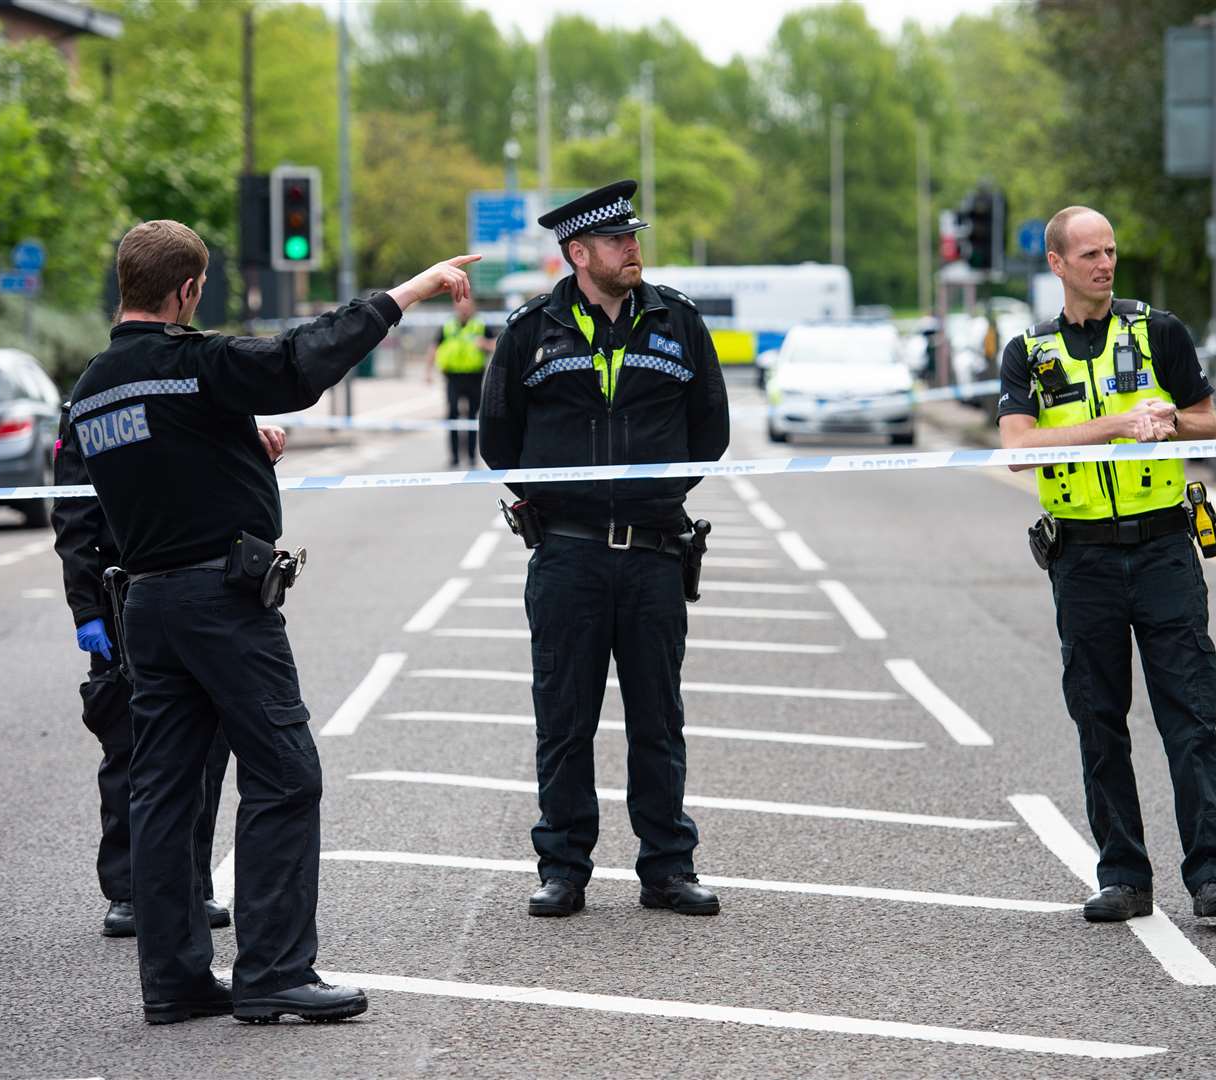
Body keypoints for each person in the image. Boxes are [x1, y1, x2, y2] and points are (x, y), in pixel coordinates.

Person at [68, 218, 477, 1024]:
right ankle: (274, 972)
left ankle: (176, 982)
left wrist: (238, 448)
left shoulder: (92, 387)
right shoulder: (197, 364)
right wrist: (410, 290)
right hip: (221, 603)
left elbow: (160, 462)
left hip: (146, 604)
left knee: (164, 794)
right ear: (189, 290)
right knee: (286, 774)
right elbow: (301, 361)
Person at [479, 180, 730, 918]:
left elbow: (709, 432)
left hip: (654, 552)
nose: (633, 248)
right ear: (578, 252)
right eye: (617, 240)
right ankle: (562, 866)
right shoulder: (532, 330)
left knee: (659, 717)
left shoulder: (677, 321)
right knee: (564, 718)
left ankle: (667, 867)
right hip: (568, 557)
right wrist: (567, 500)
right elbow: (501, 441)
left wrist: (653, 497)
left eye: (633, 237)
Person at [997, 205, 1216, 922]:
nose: (1104, 265)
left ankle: (1212, 875)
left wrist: (1167, 416)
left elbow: (1208, 421)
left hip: (1165, 547)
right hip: (1083, 560)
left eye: (1110, 252)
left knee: (1190, 715)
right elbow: (1018, 447)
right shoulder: (1030, 352)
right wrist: (1115, 425)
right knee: (1099, 720)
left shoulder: (1158, 331)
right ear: (1057, 265)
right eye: (1088, 255)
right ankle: (1124, 877)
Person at [50, 407, 262, 939]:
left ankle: (189, 882)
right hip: (123, 595)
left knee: (207, 744)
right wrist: (87, 610)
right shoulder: (89, 404)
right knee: (128, 744)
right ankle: (128, 891)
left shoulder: (194, 383)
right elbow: (75, 517)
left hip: (202, 588)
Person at [431, 292, 495, 466]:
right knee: (452, 415)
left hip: (474, 376)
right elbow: (435, 346)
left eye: (467, 306)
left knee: (473, 417)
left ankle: (473, 456)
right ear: (456, 307)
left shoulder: (480, 325)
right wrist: (428, 371)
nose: (464, 309)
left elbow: (497, 344)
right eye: (461, 306)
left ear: (472, 307)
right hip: (452, 376)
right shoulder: (448, 325)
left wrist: (485, 344)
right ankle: (454, 457)